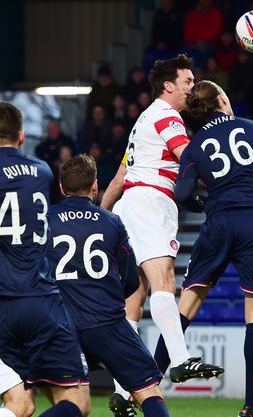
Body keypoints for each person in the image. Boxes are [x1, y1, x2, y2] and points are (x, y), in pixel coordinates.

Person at [100, 55, 223, 413]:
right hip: (151, 202)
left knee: (133, 302)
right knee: (164, 282)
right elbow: (192, 158)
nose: (191, 86)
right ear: (168, 85)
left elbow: (119, 179)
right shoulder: (167, 117)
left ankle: (124, 391)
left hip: (128, 206)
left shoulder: (143, 121)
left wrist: (102, 216)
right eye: (187, 81)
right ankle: (181, 358)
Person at [165, 80, 253, 417]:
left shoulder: (196, 145)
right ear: (223, 100)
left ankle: (144, 389)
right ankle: (251, 408)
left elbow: (181, 192)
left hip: (219, 221)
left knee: (185, 306)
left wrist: (205, 200)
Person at [48, 154, 170, 417]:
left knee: (73, 403)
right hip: (107, 322)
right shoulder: (111, 221)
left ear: (61, 187)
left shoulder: (46, 220)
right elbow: (130, 280)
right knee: (148, 391)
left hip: (62, 325)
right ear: (94, 186)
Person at [0, 102, 91, 416]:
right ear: (22, 136)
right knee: (76, 403)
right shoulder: (42, 171)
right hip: (41, 301)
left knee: (20, 405)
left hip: (3, 305)